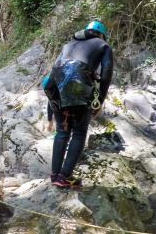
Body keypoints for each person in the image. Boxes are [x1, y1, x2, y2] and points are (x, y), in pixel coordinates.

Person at [44, 20, 113, 188]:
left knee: (62, 132)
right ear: (101, 35)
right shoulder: (103, 45)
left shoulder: (68, 45)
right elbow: (106, 73)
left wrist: (50, 116)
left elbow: (54, 74)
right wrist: (99, 102)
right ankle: (64, 176)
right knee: (79, 133)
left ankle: (55, 176)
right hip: (79, 85)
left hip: (55, 88)